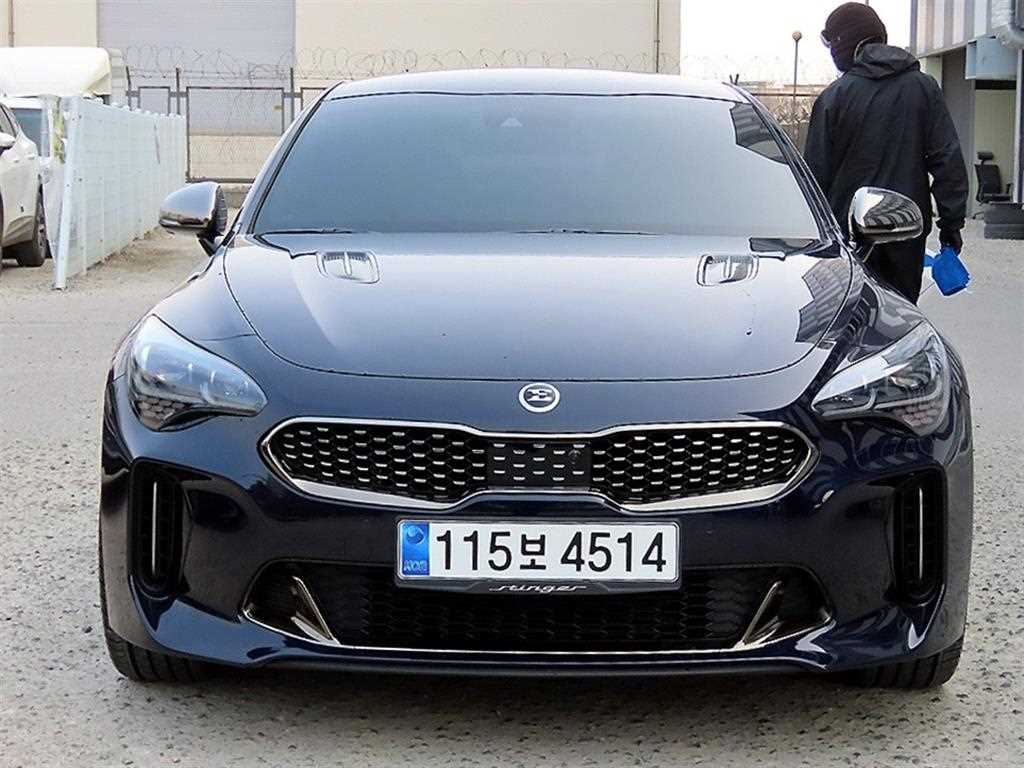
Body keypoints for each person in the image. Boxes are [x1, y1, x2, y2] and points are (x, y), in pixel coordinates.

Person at [805, 2, 968, 304]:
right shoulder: (923, 88)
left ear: (844, 42)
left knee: (847, 317)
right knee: (900, 316)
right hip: (906, 235)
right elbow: (948, 162)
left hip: (847, 240)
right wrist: (951, 228)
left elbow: (814, 180)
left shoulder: (833, 99)